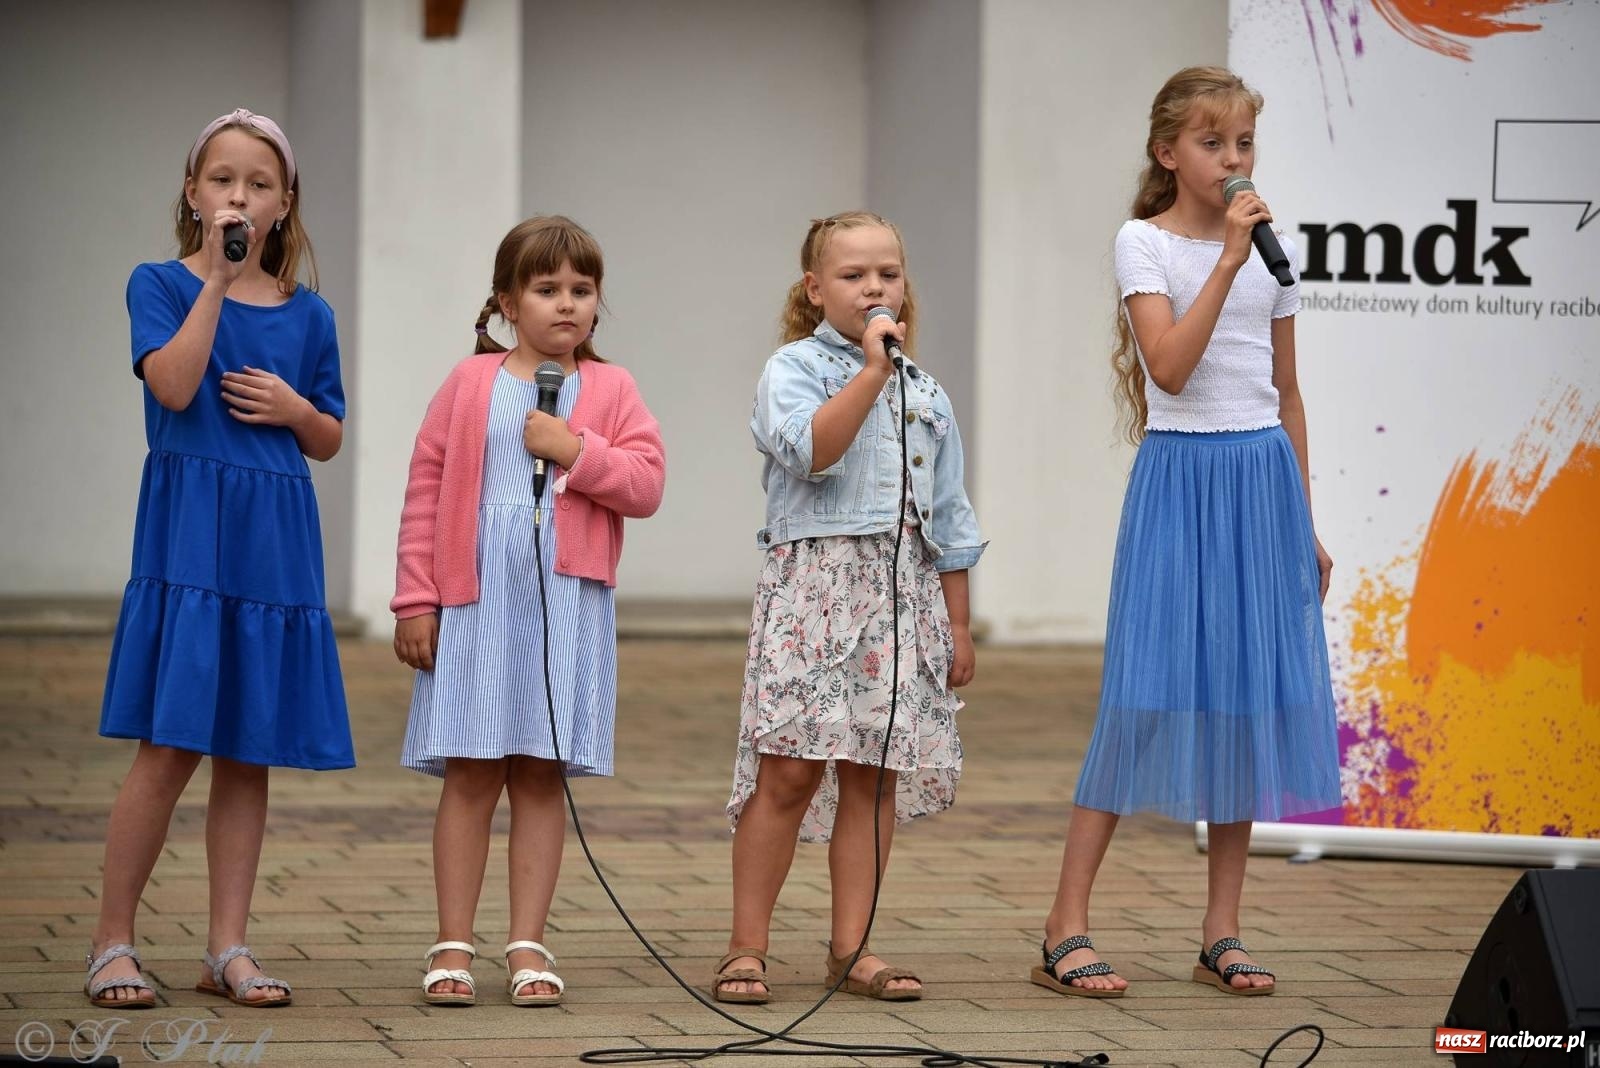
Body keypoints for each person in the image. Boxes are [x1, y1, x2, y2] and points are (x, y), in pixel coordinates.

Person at [1034, 67, 1339, 999]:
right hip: (1182, 479)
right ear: (1170, 153)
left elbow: (1285, 391)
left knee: (1245, 701)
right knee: (1144, 695)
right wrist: (1227, 266)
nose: (1234, 160)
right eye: (1214, 144)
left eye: (1244, 143)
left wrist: (1307, 522)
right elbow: (1167, 367)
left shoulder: (1271, 260)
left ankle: (1223, 931)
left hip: (1260, 481)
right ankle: (1065, 926)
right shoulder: (1146, 244)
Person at [90, 108, 351, 1009]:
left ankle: (227, 946)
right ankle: (112, 942)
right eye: (223, 179)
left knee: (248, 753)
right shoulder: (157, 283)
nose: (240, 194)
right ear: (194, 194)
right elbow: (171, 383)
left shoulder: (308, 312)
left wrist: (292, 407)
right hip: (192, 536)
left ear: (284, 205)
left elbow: (328, 436)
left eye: (260, 184)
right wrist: (216, 280)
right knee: (169, 746)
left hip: (273, 542)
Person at [392, 215, 665, 1007]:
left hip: (565, 606)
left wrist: (577, 451)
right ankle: (451, 943)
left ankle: (527, 944)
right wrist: (416, 598)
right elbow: (424, 492)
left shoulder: (612, 390)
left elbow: (645, 485)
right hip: (476, 602)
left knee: (542, 774)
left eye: (582, 290)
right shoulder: (471, 383)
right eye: (547, 289)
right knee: (473, 771)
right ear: (508, 302)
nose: (567, 305)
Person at [714, 211, 985, 1004]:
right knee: (790, 769)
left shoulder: (927, 392)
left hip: (902, 598)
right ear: (813, 289)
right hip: (816, 596)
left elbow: (952, 517)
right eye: (852, 275)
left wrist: (958, 623)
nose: (874, 288)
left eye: (888, 274)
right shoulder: (791, 370)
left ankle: (851, 947)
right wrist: (870, 373)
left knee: (872, 777)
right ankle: (746, 946)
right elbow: (811, 449)